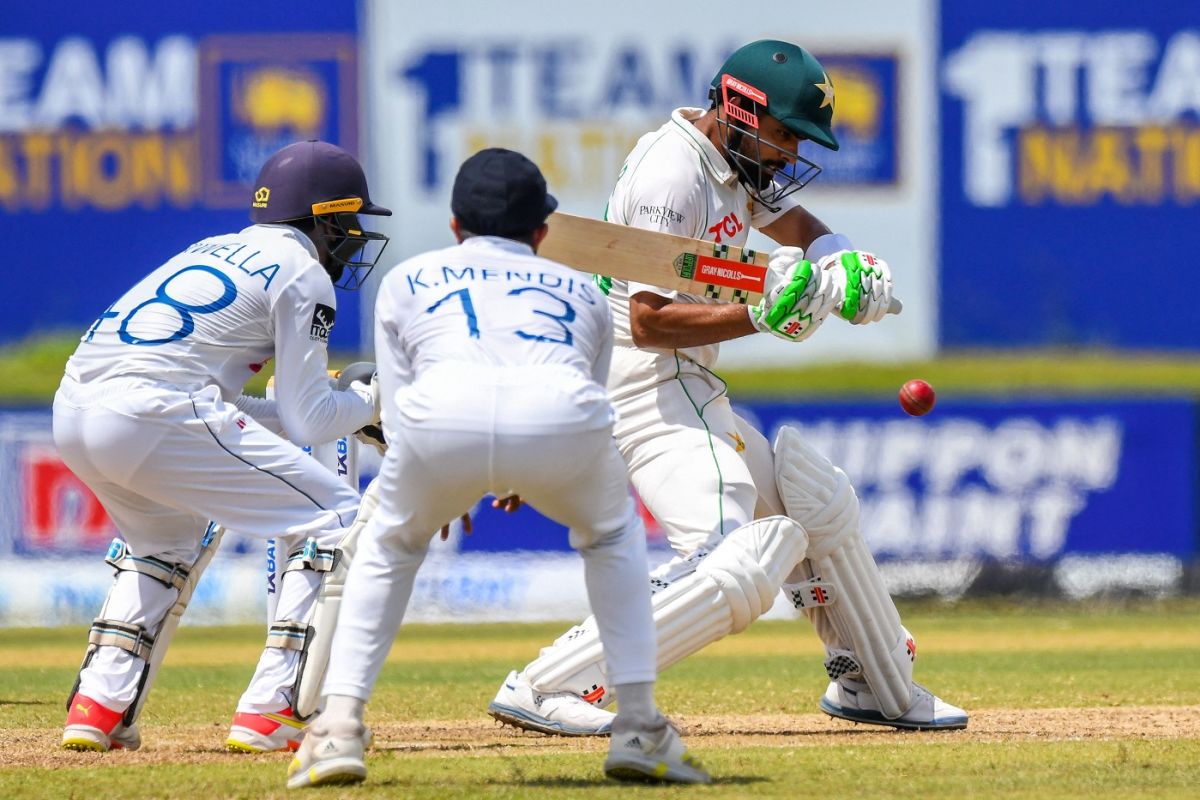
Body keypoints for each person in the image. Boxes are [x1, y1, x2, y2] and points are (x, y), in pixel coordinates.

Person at [487, 40, 968, 735]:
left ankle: (866, 678)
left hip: (687, 381)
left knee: (813, 504)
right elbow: (649, 323)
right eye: (786, 137)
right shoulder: (671, 173)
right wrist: (761, 314)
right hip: (644, 385)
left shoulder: (735, 158)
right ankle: (555, 681)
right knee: (729, 555)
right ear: (738, 112)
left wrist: (845, 264)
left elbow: (799, 229)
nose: (792, 157)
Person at [285, 148, 709, 789]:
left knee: (389, 545)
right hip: (561, 422)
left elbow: (399, 416)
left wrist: (446, 482)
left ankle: (338, 728)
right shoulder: (584, 291)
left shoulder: (406, 279)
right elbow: (587, 401)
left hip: (437, 424)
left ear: (455, 226)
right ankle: (640, 729)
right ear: (542, 231)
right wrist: (523, 474)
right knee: (613, 538)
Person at [54, 140, 391, 753]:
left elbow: (262, 414)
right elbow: (311, 417)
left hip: (75, 409)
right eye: (349, 221)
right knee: (338, 518)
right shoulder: (303, 271)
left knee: (164, 541)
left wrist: (339, 410)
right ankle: (275, 709)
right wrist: (372, 403)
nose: (355, 236)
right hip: (155, 409)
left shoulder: (210, 248)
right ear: (322, 217)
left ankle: (99, 704)